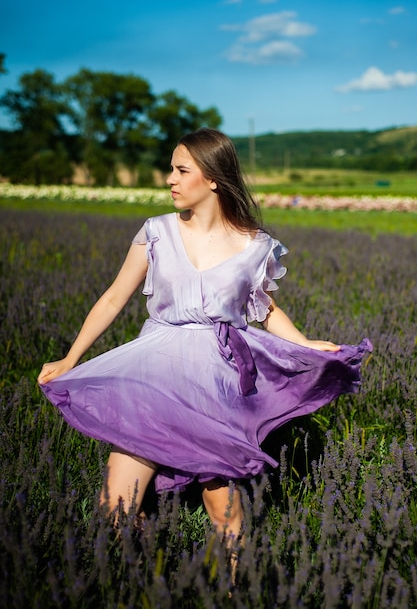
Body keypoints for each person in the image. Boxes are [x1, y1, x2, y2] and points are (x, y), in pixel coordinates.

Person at [38, 128, 371, 544]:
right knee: (115, 505)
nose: (170, 179)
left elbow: (264, 308)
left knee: (222, 508)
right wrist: (71, 358)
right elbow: (111, 299)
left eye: (181, 170)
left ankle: (234, 590)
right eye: (171, 170)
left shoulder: (256, 246)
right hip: (153, 375)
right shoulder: (156, 231)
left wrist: (303, 343)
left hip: (216, 382)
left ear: (212, 177)